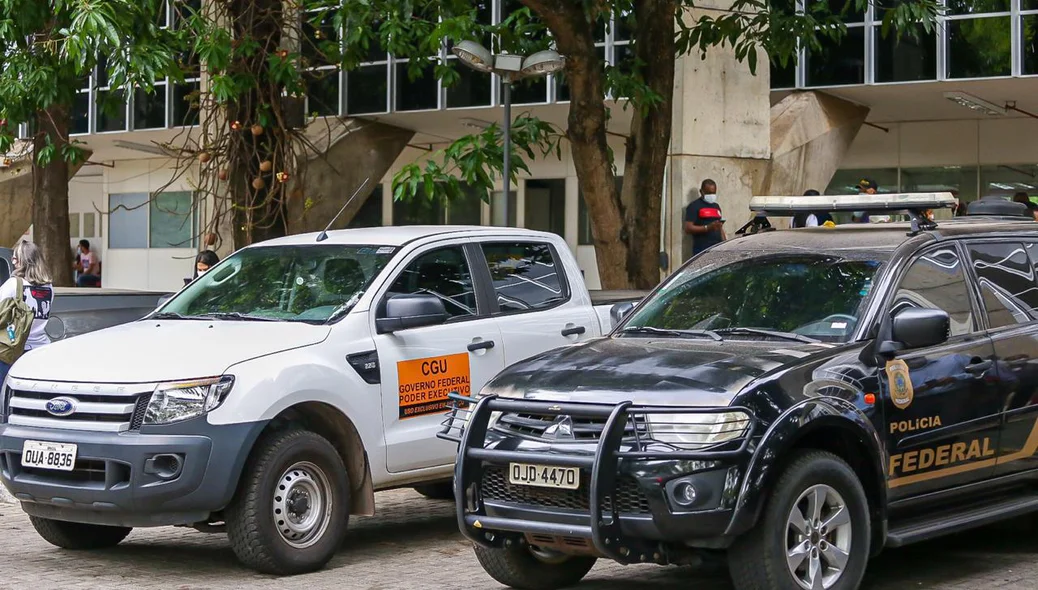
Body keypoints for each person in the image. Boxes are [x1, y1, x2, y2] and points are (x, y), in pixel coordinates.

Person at [0, 241, 54, 384]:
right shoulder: (49, 287)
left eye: (16, 257)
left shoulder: (14, 284)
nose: (12, 261)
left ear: (25, 261)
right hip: (41, 348)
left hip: (12, 349)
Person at [684, 179, 726, 257]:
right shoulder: (694, 206)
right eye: (709, 193)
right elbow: (688, 228)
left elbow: (720, 227)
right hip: (701, 250)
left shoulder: (716, 206)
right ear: (701, 191)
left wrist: (725, 243)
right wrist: (708, 228)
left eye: (713, 193)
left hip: (718, 248)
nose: (711, 195)